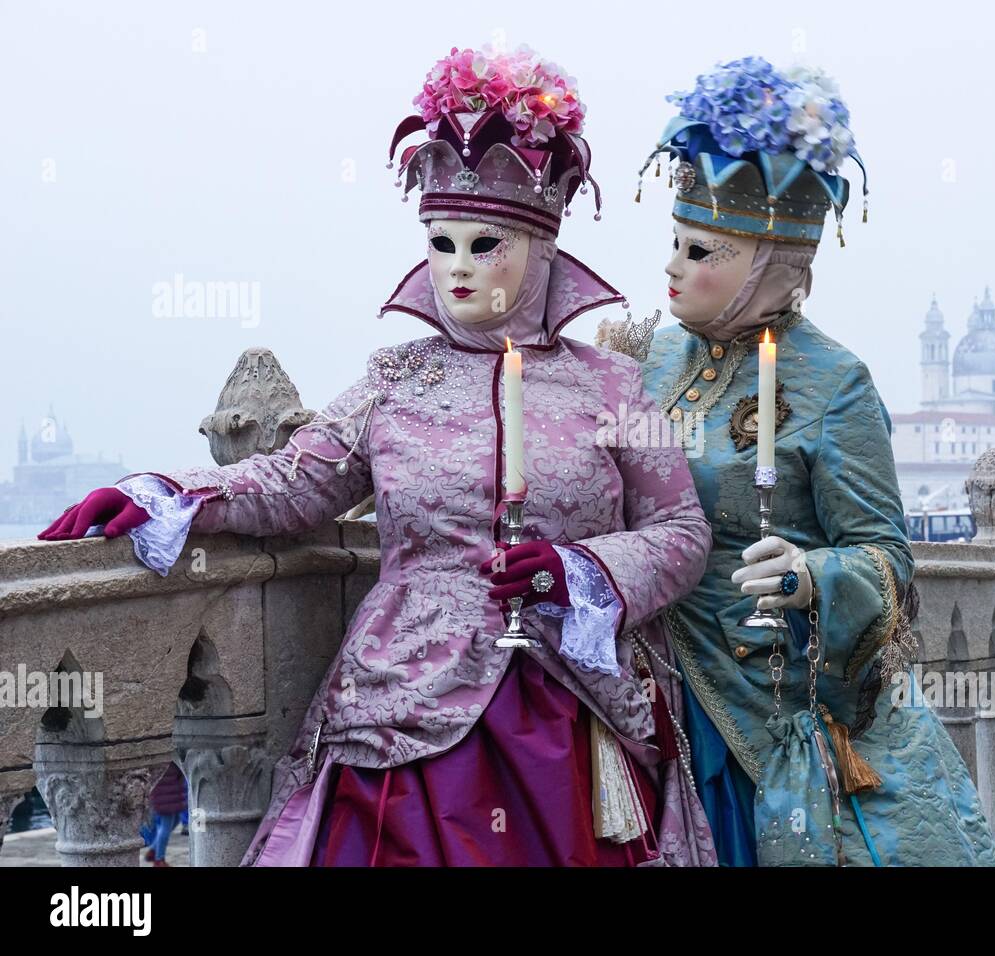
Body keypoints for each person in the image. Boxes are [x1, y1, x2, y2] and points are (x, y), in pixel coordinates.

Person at [40, 46, 716, 867]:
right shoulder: (394, 379)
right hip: (401, 697)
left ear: (541, 251)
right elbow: (295, 483)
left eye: (484, 245)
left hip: (568, 705)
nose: (458, 269)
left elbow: (680, 528)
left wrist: (577, 573)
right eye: (442, 242)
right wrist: (171, 495)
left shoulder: (611, 385)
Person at [605, 57, 995, 865]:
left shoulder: (836, 383)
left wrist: (813, 576)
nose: (672, 267)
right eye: (675, 243)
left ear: (768, 265)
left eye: (702, 250)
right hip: (645, 689)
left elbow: (888, 559)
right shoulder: (644, 361)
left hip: (770, 709)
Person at [140, 762, 187, 867]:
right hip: (166, 797)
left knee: (175, 821)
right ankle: (159, 859)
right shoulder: (168, 761)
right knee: (165, 827)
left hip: (171, 795)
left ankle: (153, 850)